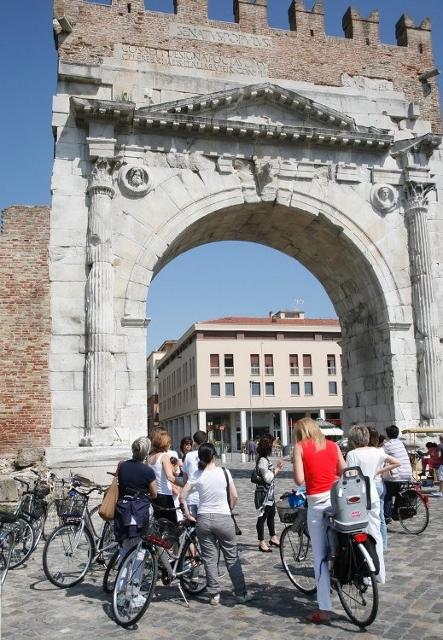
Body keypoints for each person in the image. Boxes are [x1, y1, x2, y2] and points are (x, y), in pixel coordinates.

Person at [180, 443, 252, 606]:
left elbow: (182, 496)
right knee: (231, 556)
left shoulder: (197, 475)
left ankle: (214, 595)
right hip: (223, 518)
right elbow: (234, 496)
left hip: (203, 519)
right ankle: (240, 593)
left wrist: (188, 514)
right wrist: (228, 509)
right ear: (214, 456)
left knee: (209, 558)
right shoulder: (224, 472)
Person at [293, 417, 346, 624]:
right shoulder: (332, 445)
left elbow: (298, 479)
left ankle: (324, 609)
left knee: (320, 557)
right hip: (337, 499)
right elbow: (343, 470)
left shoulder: (300, 447)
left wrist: (309, 471)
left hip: (317, 501)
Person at [346, 426, 400, 582]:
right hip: (374, 496)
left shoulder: (353, 454)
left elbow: (350, 477)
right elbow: (396, 462)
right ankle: (379, 574)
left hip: (358, 496)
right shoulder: (377, 452)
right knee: (375, 533)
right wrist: (378, 472)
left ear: (353, 440)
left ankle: (366, 574)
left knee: (360, 534)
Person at [114, 437, 157, 555]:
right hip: (139, 511)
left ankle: (122, 572)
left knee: (124, 549)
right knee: (139, 550)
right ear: (146, 452)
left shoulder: (122, 466)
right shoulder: (147, 471)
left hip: (122, 510)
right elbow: (154, 494)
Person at [254, 434, 284, 552]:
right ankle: (261, 542)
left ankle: (273, 537)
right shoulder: (262, 460)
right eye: (272, 445)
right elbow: (267, 478)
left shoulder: (265, 458)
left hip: (269, 493)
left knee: (271, 514)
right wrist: (277, 469)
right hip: (264, 494)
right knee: (262, 517)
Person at [148, 430, 184, 524]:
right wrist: (183, 484)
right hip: (165, 494)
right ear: (165, 444)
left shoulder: (150, 457)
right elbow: (170, 477)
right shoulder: (164, 456)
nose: (169, 444)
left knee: (159, 524)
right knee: (171, 525)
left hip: (154, 494)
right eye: (169, 442)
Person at [383, 425, 412, 521]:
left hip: (397, 475)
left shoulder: (388, 445)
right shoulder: (401, 443)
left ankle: (386, 517)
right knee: (398, 491)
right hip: (407, 474)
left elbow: (381, 457)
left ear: (387, 434)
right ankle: (395, 511)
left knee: (387, 494)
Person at [182, 430, 208, 518]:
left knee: (192, 525)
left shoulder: (189, 456)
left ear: (194, 442)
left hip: (191, 497)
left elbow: (185, 479)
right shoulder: (209, 455)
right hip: (205, 497)